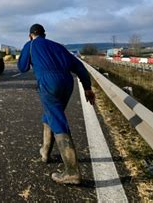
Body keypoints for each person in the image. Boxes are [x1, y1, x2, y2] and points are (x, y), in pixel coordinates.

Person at [17, 24, 95, 185]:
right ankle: (45, 152)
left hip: (48, 82)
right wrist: (87, 88)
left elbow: (22, 67)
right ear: (44, 34)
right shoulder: (58, 46)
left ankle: (72, 172)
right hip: (67, 83)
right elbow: (79, 66)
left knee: (57, 119)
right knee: (51, 115)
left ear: (30, 35)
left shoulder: (30, 44)